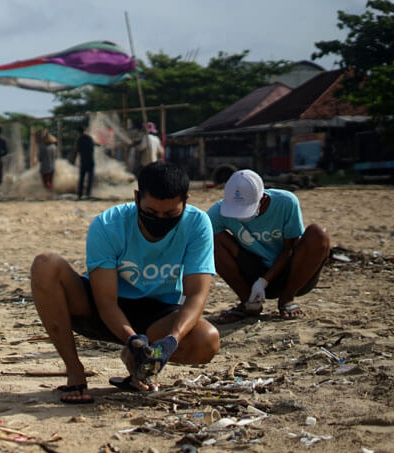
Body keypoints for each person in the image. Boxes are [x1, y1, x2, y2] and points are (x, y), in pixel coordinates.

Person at [30, 161, 220, 403]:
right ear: (137, 197)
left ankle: (138, 364)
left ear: (186, 201)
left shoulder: (197, 224)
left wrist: (172, 340)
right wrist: (132, 339)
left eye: (171, 214)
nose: (160, 220)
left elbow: (196, 294)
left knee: (207, 340)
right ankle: (75, 371)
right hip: (102, 309)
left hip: (158, 315)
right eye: (151, 213)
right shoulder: (109, 224)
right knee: (45, 264)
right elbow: (106, 302)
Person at [208, 169, 331, 322]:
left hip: (292, 274)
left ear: (263, 199)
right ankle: (249, 302)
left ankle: (287, 299)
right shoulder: (219, 211)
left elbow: (289, 249)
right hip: (253, 269)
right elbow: (197, 240)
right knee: (209, 239)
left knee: (318, 233)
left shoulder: (286, 202)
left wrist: (264, 281)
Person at [75, 127, 96, 199]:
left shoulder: (79, 140)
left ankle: (80, 194)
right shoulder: (89, 138)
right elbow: (92, 149)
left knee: (82, 179)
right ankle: (88, 193)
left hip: (83, 161)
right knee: (90, 179)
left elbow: (78, 150)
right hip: (90, 161)